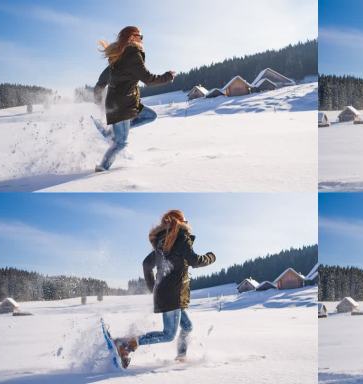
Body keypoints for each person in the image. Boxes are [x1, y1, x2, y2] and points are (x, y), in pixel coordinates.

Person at [113, 209, 216, 368]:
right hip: (172, 295)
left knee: (187, 327)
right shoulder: (181, 238)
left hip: (169, 293)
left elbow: (146, 265)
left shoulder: (162, 242)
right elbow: (195, 261)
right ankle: (126, 344)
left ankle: (181, 357)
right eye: (185, 220)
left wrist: (154, 288)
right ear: (181, 222)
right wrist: (211, 257)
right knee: (168, 334)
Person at [93, 26, 176, 172]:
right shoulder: (132, 54)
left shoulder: (118, 57)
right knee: (120, 143)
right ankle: (103, 167)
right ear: (132, 37)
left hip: (126, 103)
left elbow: (100, 84)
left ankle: (111, 133)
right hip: (122, 105)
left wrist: (100, 102)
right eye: (140, 36)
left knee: (150, 115)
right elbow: (149, 79)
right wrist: (168, 76)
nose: (142, 39)